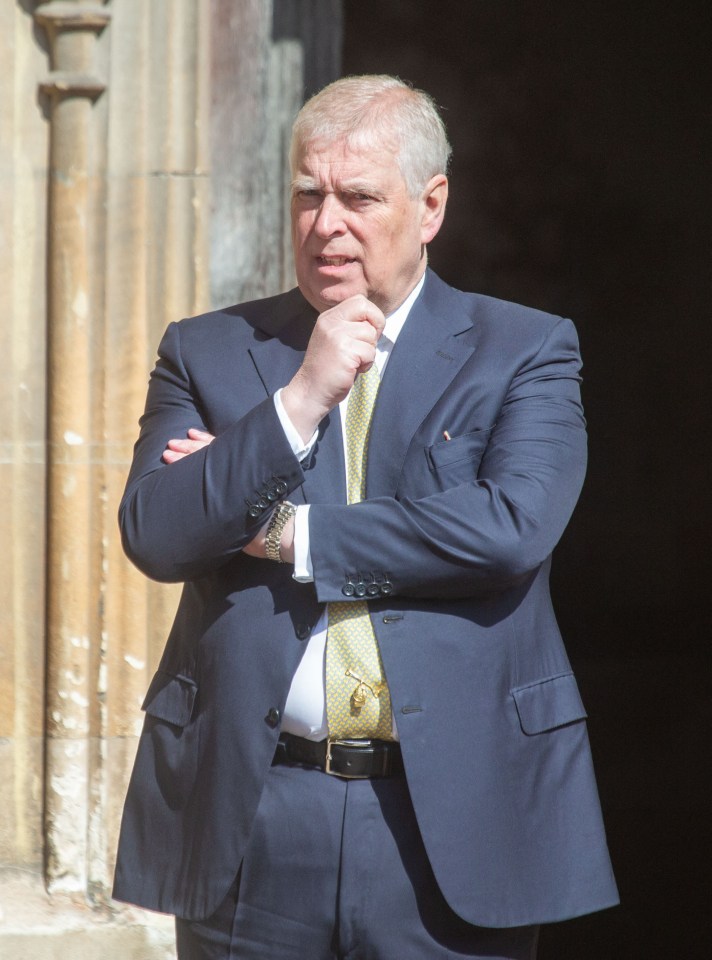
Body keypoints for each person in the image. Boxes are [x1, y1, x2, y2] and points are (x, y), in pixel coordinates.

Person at [113, 75, 618, 959]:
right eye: (308, 194)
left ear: (431, 206)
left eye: (358, 197)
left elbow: (507, 528)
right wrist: (298, 402)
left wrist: (287, 535)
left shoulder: (525, 349)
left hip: (450, 822)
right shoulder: (208, 349)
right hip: (255, 817)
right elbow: (157, 531)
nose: (326, 222)